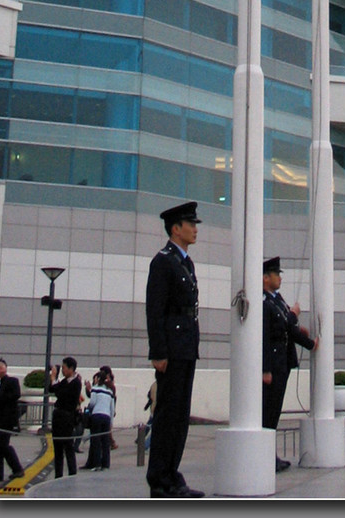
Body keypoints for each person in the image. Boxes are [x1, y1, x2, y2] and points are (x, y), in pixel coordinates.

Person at [145, 201, 205, 498]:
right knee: (167, 416)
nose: (195, 229)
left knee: (181, 416)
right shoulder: (163, 261)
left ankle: (172, 473)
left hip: (186, 347)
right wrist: (158, 352)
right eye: (190, 224)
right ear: (175, 228)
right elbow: (155, 310)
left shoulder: (185, 262)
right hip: (171, 348)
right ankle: (159, 479)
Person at [262, 256, 319, 472]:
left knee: (274, 410)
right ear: (266, 278)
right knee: (268, 411)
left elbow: (289, 328)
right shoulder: (264, 301)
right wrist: (265, 369)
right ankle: (266, 455)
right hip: (273, 365)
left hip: (282, 363)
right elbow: (272, 332)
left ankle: (269, 454)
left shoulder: (277, 299)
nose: (279, 278)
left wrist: (308, 341)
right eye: (276, 274)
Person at [0, 358, 25, 483]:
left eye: (2, 366)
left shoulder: (12, 381)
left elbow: (15, 395)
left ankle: (17, 469)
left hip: (6, 420)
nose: (0, 368)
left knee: (2, 446)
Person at [49, 357, 82, 478]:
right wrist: (53, 378)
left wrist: (54, 381)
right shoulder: (64, 381)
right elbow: (52, 389)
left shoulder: (75, 383)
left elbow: (62, 394)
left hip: (67, 418)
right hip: (58, 418)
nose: (62, 370)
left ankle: (72, 474)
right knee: (57, 448)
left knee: (68, 447)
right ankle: (58, 475)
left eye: (64, 368)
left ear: (71, 368)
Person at [87, 368, 115, 471]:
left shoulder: (95, 389)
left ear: (98, 379)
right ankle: (106, 464)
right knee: (105, 441)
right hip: (106, 416)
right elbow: (112, 407)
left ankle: (97, 464)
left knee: (96, 441)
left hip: (97, 415)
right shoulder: (110, 391)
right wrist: (111, 421)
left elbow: (93, 402)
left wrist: (89, 410)